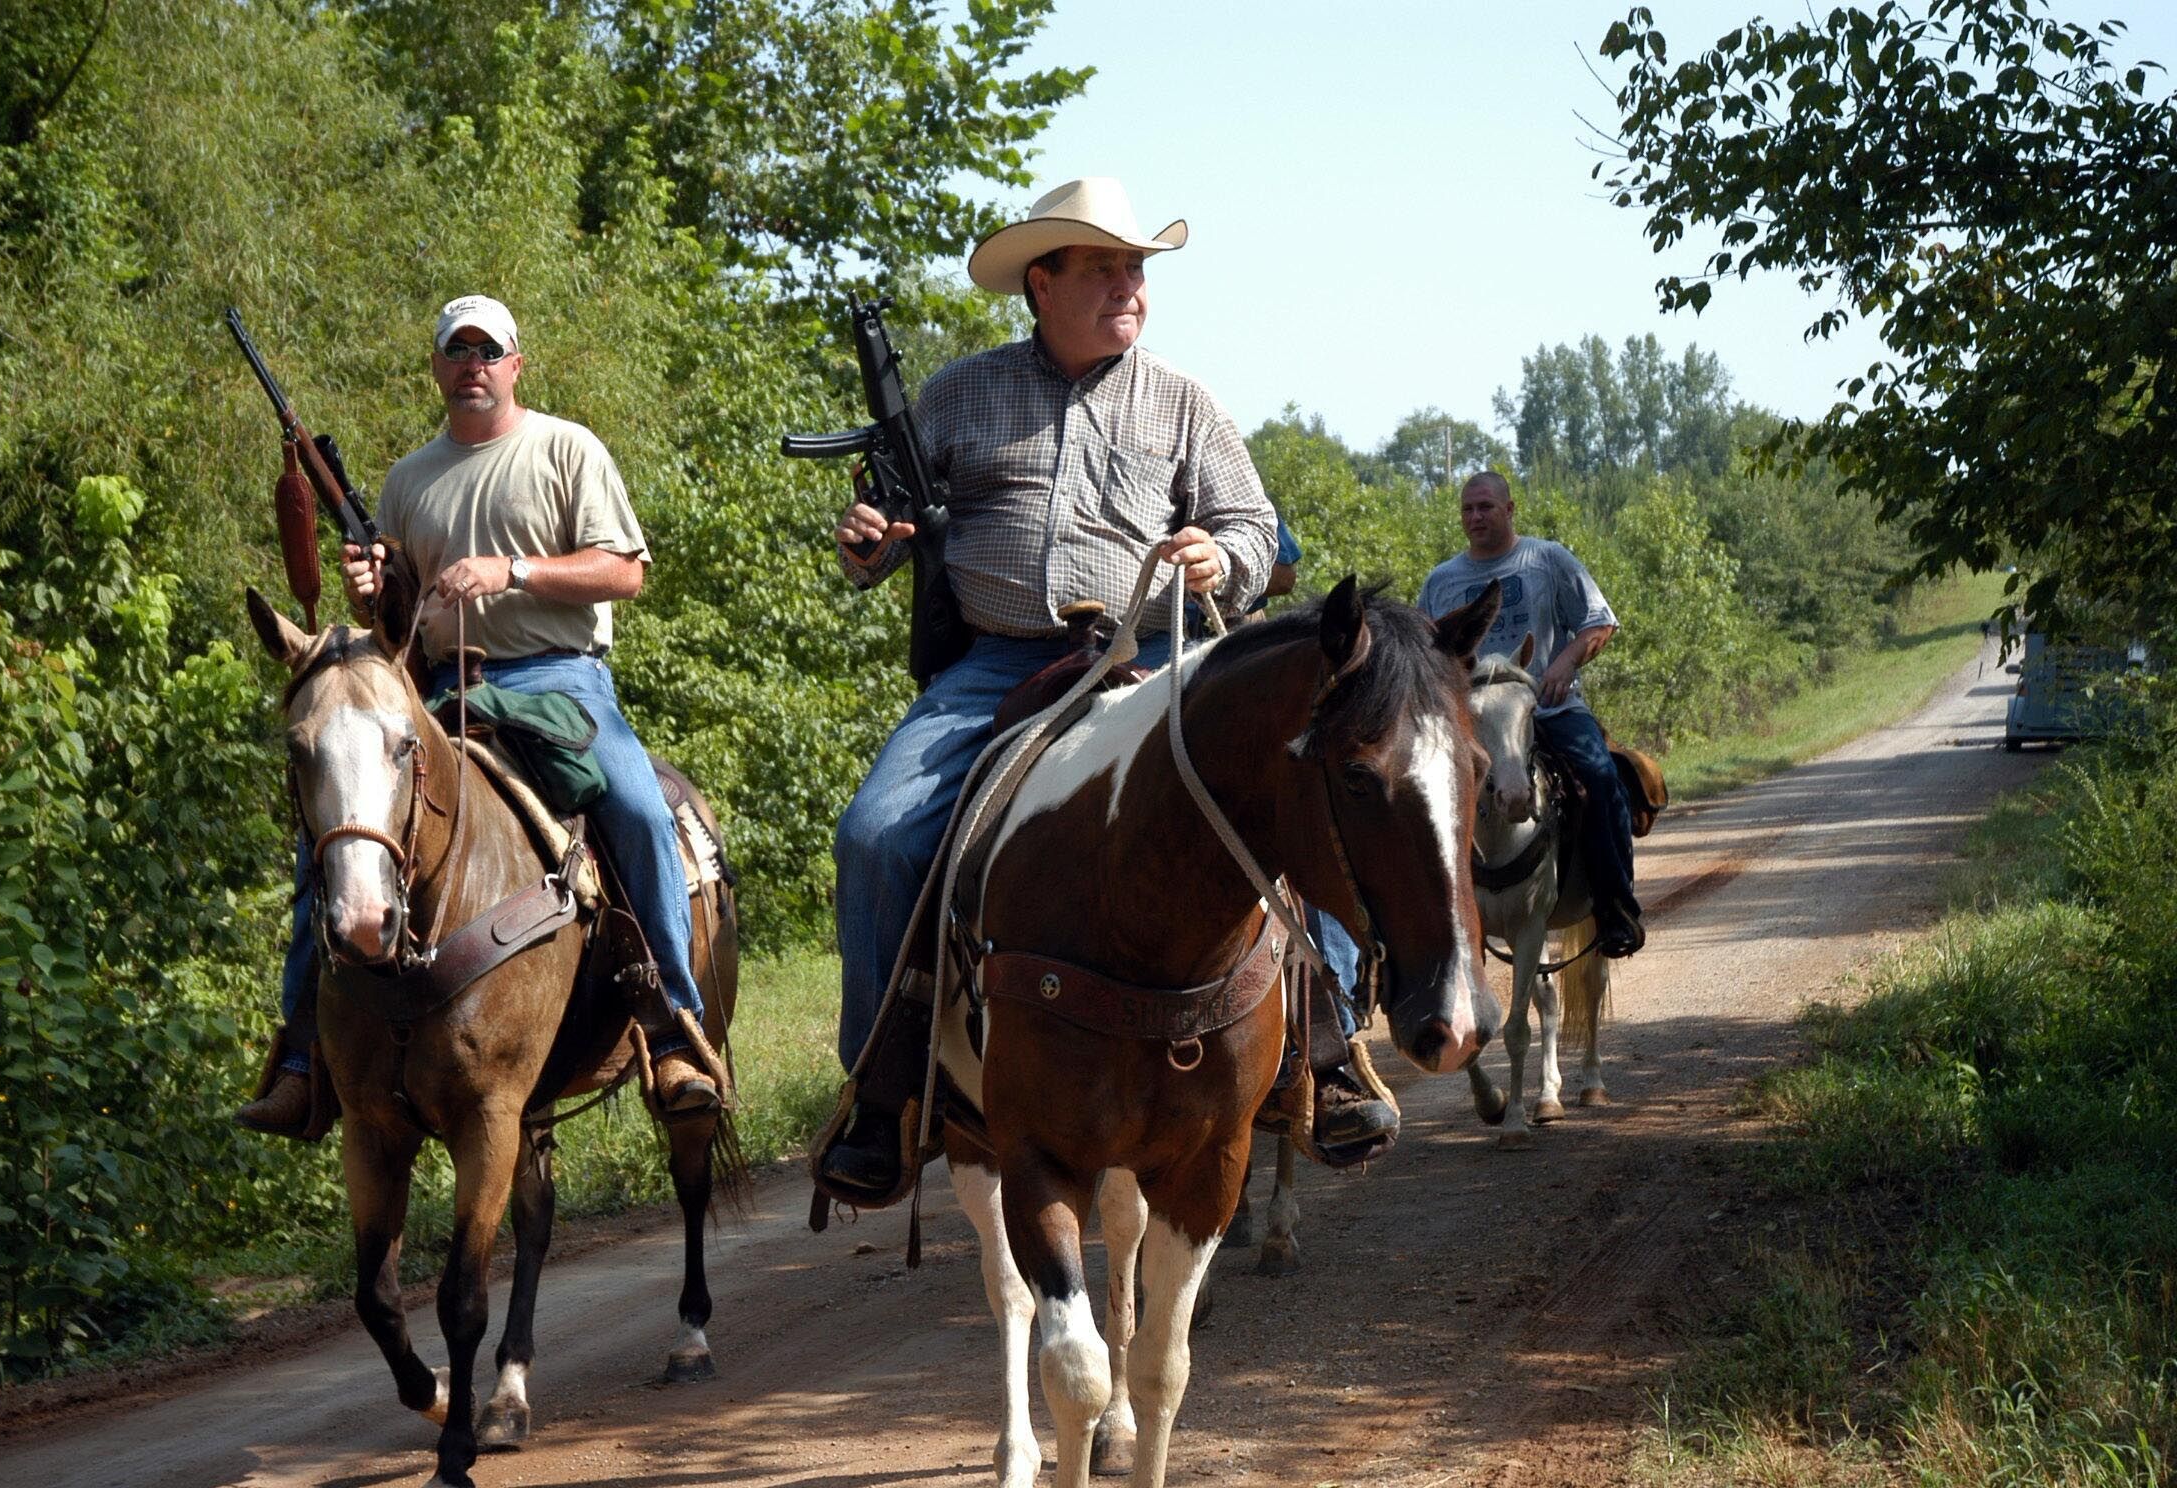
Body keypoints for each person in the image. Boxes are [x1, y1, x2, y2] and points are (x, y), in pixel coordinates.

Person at [816, 178, 1396, 1199]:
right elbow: (881, 530)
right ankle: (883, 1087)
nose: (1130, 287)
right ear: (1041, 283)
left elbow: (1254, 530)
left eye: (1136, 269)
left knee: (1302, 798)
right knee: (874, 833)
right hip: (996, 662)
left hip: (1158, 656)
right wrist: (866, 545)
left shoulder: (1182, 401)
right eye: (1104, 269)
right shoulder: (960, 393)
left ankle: (1329, 1047)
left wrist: (1221, 557)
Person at [236, 294, 723, 1136]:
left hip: (559, 680)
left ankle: (673, 1028)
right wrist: (371, 588)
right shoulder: (408, 478)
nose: (473, 366)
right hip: (434, 692)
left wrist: (513, 573)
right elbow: (396, 606)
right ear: (437, 368)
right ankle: (304, 1057)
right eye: (457, 352)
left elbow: (623, 574)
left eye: (487, 352)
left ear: (514, 364)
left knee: (640, 812)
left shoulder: (566, 449)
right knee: (335, 842)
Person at [1418, 471, 1644, 957]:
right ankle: (1418, 935)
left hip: (1549, 709)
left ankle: (1615, 906)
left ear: (1509, 509)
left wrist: (1564, 662)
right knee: (1409, 795)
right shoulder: (1442, 581)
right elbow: (1425, 659)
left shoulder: (1546, 559)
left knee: (1602, 778)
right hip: (1472, 723)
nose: (1476, 517)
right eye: (1467, 509)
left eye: (1485, 506)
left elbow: (1599, 622)